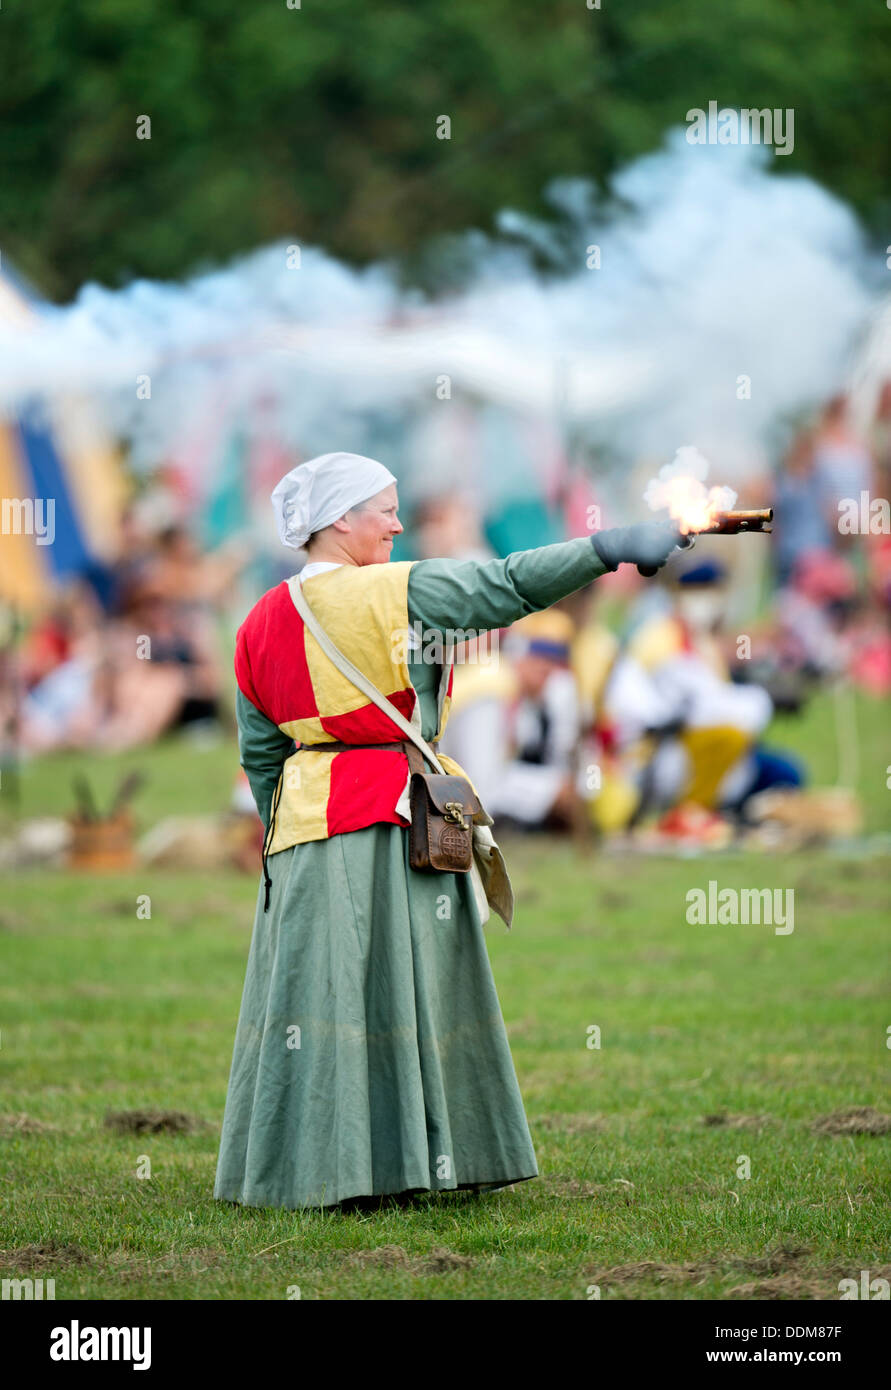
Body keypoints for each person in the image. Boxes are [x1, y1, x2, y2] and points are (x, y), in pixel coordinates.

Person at [213, 452, 686, 1210]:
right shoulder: (398, 590)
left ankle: (313, 1172)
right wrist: (608, 548)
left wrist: (284, 833)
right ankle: (406, 1161)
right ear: (340, 519)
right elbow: (505, 586)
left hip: (303, 825)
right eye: (384, 509)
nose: (398, 524)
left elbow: (261, 754)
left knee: (319, 1003)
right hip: (390, 812)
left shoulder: (255, 621)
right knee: (404, 997)